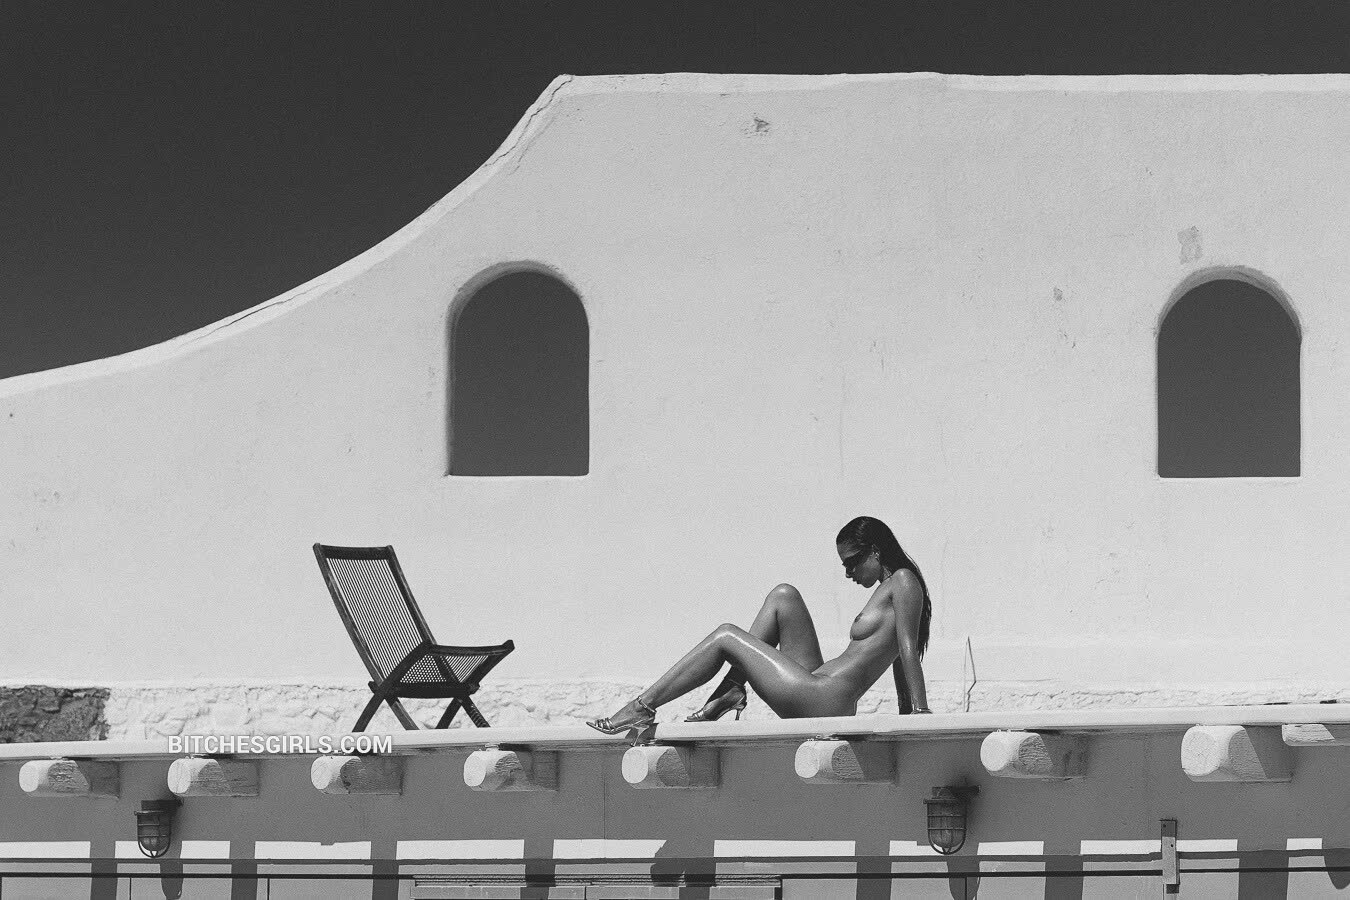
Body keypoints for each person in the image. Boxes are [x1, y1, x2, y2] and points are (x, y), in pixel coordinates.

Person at [587, 516, 932, 734]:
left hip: (824, 699)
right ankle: (733, 688)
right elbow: (897, 656)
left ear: (875, 551)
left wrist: (917, 712)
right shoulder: (890, 589)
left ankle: (642, 707)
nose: (848, 573)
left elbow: (906, 651)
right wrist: (907, 710)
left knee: (726, 635)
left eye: (852, 563)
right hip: (818, 684)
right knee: (784, 596)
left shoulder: (903, 581)